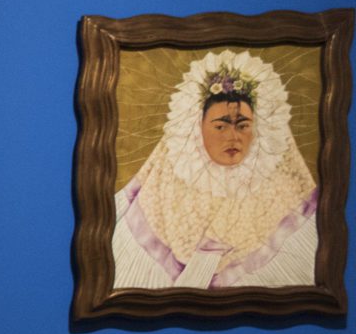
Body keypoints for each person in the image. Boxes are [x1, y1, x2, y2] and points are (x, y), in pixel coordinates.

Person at [111, 49, 319, 290]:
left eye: (243, 126)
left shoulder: (287, 199)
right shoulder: (159, 194)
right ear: (196, 128)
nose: (233, 137)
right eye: (220, 127)